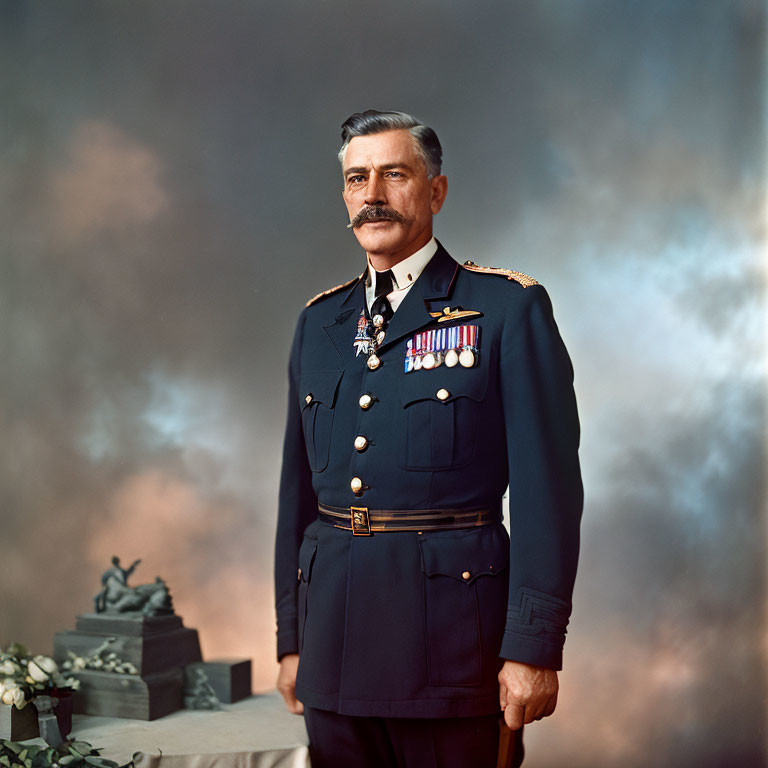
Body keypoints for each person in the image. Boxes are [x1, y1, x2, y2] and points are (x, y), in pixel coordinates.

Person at [273, 110, 583, 768]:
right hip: (333, 646)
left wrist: (533, 647)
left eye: (394, 174)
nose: (373, 194)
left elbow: (546, 494)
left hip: (452, 653)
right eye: (358, 179)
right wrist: (291, 640)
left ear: (435, 192)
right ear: (345, 197)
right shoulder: (318, 322)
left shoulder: (505, 309)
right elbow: (295, 497)